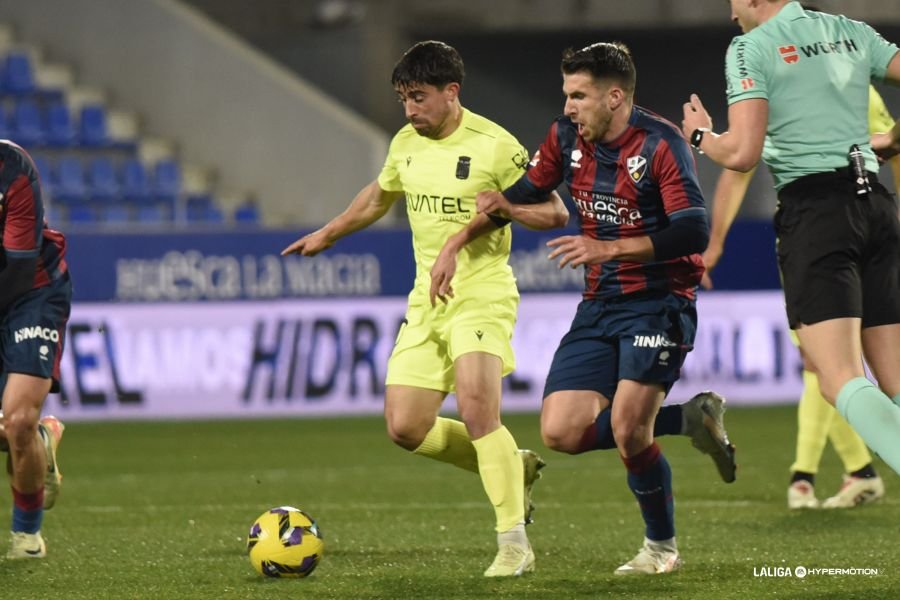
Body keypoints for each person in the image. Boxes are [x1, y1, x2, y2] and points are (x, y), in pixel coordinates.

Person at [281, 40, 569, 577]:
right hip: (426, 300)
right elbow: (378, 195)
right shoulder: (405, 143)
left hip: (481, 293)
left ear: (451, 92)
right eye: (403, 99)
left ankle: (514, 543)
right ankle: (511, 465)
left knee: (481, 410)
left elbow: (554, 212)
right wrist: (328, 233)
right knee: (406, 427)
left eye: (418, 97)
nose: (410, 109)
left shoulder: (494, 145)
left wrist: (506, 206)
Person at [477, 41, 729, 575]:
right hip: (599, 305)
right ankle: (689, 419)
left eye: (579, 95)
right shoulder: (565, 136)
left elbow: (694, 229)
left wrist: (611, 247)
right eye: (566, 94)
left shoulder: (661, 144)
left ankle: (661, 550)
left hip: (659, 303)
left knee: (629, 431)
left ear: (614, 97)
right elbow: (529, 188)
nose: (568, 106)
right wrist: (495, 208)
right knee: (561, 432)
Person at [682, 1, 900, 475]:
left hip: (817, 214)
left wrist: (700, 137)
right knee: (894, 383)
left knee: (838, 376)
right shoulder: (850, 30)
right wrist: (892, 138)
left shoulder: (750, 48)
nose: (731, 12)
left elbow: (742, 155)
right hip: (876, 205)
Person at [0, 140, 69, 558]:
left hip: (32, 293)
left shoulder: (13, 167)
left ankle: (27, 536)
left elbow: (20, 267)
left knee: (18, 418)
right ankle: (42, 441)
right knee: (11, 432)